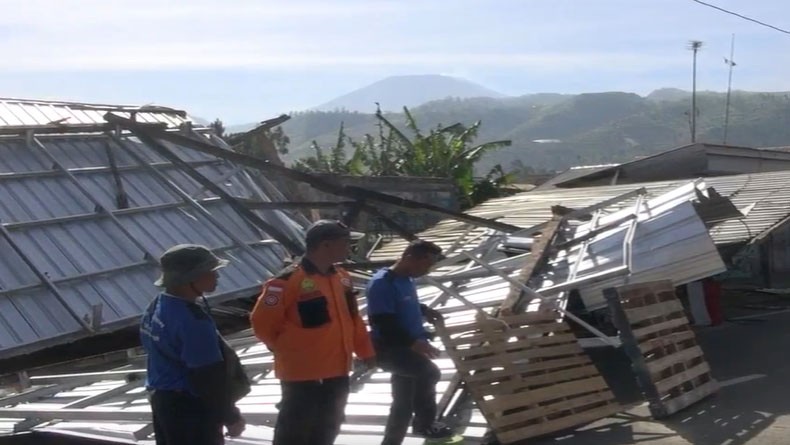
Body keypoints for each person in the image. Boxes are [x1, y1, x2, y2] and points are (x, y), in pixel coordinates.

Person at [250, 219, 376, 445]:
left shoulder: (342, 278)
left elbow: (352, 318)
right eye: (345, 242)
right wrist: (289, 350)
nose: (350, 247)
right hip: (302, 374)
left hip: (337, 370)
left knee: (328, 427)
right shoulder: (285, 282)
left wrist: (366, 351)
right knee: (295, 430)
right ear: (326, 245)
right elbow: (262, 324)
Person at [140, 244, 249, 445]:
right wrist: (231, 417)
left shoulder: (156, 306)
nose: (217, 277)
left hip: (163, 403)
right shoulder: (193, 322)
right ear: (190, 279)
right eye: (211, 272)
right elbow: (208, 378)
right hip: (190, 410)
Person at [366, 239, 454, 445]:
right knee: (429, 372)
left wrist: (425, 311)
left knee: (403, 402)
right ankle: (425, 424)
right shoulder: (382, 283)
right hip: (390, 349)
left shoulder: (407, 280)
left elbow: (406, 304)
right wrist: (414, 343)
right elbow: (384, 324)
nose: (427, 269)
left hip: (408, 348)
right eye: (425, 264)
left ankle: (391, 442)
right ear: (409, 257)